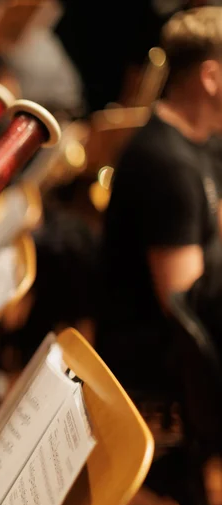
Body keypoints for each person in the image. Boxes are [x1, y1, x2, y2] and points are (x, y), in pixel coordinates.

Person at [98, 6, 222, 396]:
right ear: (211, 77)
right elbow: (184, 309)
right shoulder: (166, 164)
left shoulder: (204, 142)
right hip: (156, 362)